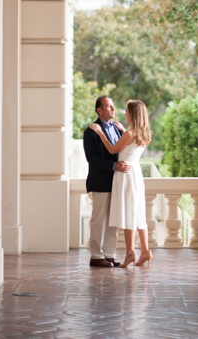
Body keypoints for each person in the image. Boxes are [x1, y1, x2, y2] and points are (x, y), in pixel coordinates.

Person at [89, 99, 153, 268]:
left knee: (128, 213)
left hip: (125, 175)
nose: (124, 113)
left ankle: (130, 253)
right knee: (138, 213)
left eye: (127, 111)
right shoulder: (143, 133)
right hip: (135, 174)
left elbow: (113, 150)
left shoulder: (128, 133)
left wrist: (101, 133)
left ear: (133, 114)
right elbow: (129, 146)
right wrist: (123, 130)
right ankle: (145, 251)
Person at [83, 95, 130, 268]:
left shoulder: (118, 128)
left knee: (113, 220)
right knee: (98, 220)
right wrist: (113, 166)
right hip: (100, 182)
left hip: (117, 182)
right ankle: (96, 255)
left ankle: (109, 254)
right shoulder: (90, 131)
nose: (113, 109)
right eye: (108, 106)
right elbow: (92, 158)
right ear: (99, 110)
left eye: (113, 106)